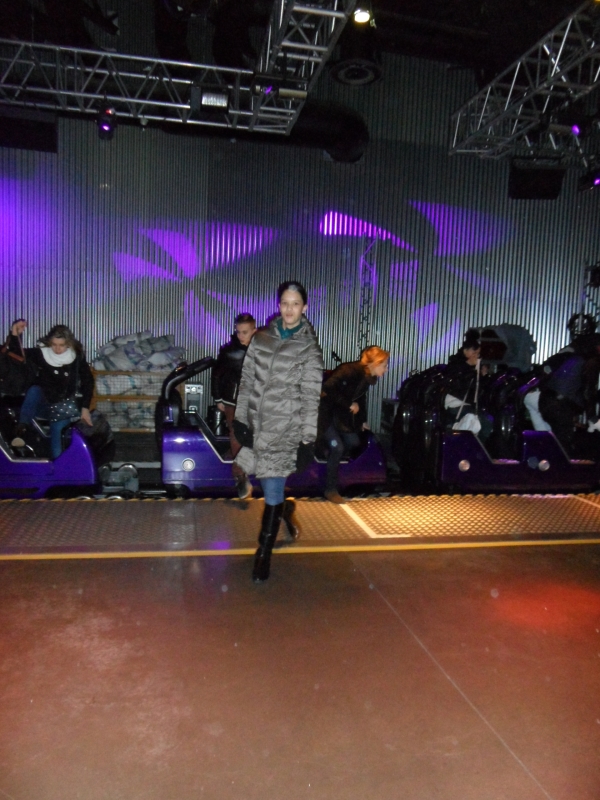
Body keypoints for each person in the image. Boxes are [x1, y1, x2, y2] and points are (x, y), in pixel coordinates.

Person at [233, 280, 324, 584]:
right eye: (285, 303)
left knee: (271, 491)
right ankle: (286, 510)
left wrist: (307, 440)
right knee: (255, 479)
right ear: (278, 305)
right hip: (257, 425)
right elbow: (247, 382)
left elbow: (310, 398)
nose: (289, 309)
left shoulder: (309, 349)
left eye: (295, 304)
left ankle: (264, 552)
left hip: (285, 429)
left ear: (304, 307)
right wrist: (241, 419)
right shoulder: (260, 339)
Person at [7, 320, 94, 459]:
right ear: (49, 343)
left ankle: (59, 466)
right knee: (34, 390)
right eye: (54, 345)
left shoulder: (75, 357)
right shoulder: (42, 353)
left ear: (68, 344)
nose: (57, 349)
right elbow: (17, 355)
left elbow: (88, 381)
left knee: (57, 432)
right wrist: (15, 334)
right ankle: (22, 428)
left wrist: (85, 407)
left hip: (63, 406)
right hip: (44, 405)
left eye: (61, 345)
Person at [318, 345, 389, 504]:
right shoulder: (350, 370)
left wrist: (362, 420)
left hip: (339, 416)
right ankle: (330, 489)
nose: (386, 369)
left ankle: (329, 461)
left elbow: (360, 399)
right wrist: (348, 404)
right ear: (375, 363)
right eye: (384, 365)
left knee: (354, 442)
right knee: (338, 447)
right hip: (324, 414)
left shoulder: (367, 377)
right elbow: (327, 388)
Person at [211, 312, 256, 498]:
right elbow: (216, 375)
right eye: (238, 332)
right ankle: (240, 475)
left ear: (254, 331)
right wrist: (218, 399)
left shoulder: (262, 349)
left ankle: (239, 465)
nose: (241, 336)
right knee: (236, 434)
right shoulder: (229, 351)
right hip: (233, 400)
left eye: (245, 332)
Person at [537, 334, 600, 455]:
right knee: (563, 444)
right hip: (560, 405)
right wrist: (592, 417)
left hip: (546, 400)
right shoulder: (590, 361)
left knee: (557, 440)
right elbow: (588, 391)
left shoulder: (571, 355)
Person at [444, 328, 492, 440]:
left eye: (478, 353)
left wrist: (482, 376)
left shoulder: (473, 366)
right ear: (465, 351)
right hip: (455, 402)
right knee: (483, 423)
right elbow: (460, 387)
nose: (476, 356)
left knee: (485, 422)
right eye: (474, 352)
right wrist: (471, 368)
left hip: (467, 403)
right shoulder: (456, 364)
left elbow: (478, 389)